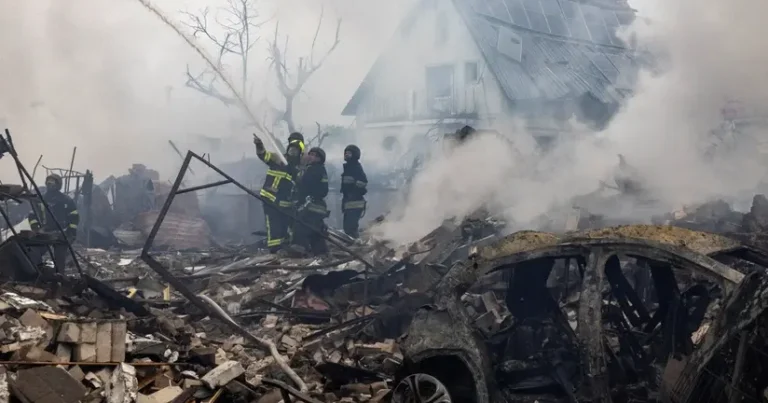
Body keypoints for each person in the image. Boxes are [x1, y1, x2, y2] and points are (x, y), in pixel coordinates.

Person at [254, 132, 304, 253]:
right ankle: (274, 248)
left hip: (285, 202)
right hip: (270, 197)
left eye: (296, 150)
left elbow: (300, 185)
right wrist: (259, 145)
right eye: (291, 148)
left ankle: (285, 246)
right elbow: (263, 155)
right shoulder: (278, 158)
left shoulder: (300, 168)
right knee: (273, 224)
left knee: (286, 224)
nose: (293, 151)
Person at [27, 174, 79, 273]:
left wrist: (71, 231)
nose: (50, 185)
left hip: (61, 234)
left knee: (59, 259)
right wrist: (36, 228)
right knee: (36, 253)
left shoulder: (66, 200)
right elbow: (32, 215)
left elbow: (74, 216)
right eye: (48, 183)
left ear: (58, 185)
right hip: (44, 233)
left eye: (53, 183)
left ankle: (59, 278)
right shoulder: (40, 199)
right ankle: (39, 275)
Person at [292, 147, 329, 255]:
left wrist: (298, 182)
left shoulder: (314, 170)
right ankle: (321, 252)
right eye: (310, 154)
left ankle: (299, 250)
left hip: (312, 206)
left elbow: (305, 186)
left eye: (314, 155)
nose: (310, 156)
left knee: (301, 227)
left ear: (319, 158)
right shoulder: (319, 169)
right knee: (315, 230)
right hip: (318, 206)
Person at [340, 144, 368, 238]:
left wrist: (354, 190)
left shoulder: (356, 167)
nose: (346, 155)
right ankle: (352, 244)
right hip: (349, 202)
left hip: (355, 202)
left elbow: (363, 182)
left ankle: (355, 245)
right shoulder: (348, 167)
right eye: (346, 153)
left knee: (350, 228)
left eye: (349, 153)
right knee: (347, 228)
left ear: (355, 155)